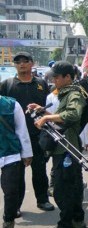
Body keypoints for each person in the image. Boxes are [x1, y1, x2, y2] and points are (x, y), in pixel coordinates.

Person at [30, 61, 87, 228]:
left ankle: (66, 222)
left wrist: (47, 118)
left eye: (56, 77)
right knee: (73, 185)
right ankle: (77, 219)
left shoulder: (74, 94)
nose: (53, 80)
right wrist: (44, 111)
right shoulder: (66, 93)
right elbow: (61, 117)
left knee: (63, 189)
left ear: (67, 77)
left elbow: (72, 115)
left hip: (67, 148)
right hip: (65, 147)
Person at [0, 52, 55, 215]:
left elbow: (48, 107)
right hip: (14, 138)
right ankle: (15, 206)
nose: (22, 64)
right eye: (18, 62)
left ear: (32, 63)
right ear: (14, 65)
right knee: (16, 175)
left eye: (25, 61)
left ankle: (42, 200)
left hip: (38, 134)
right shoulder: (7, 84)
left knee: (40, 170)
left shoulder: (41, 83)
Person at [0, 96, 33, 228]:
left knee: (11, 190)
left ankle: (8, 220)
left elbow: (21, 129)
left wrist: (26, 153)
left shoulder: (11, 104)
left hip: (10, 153)